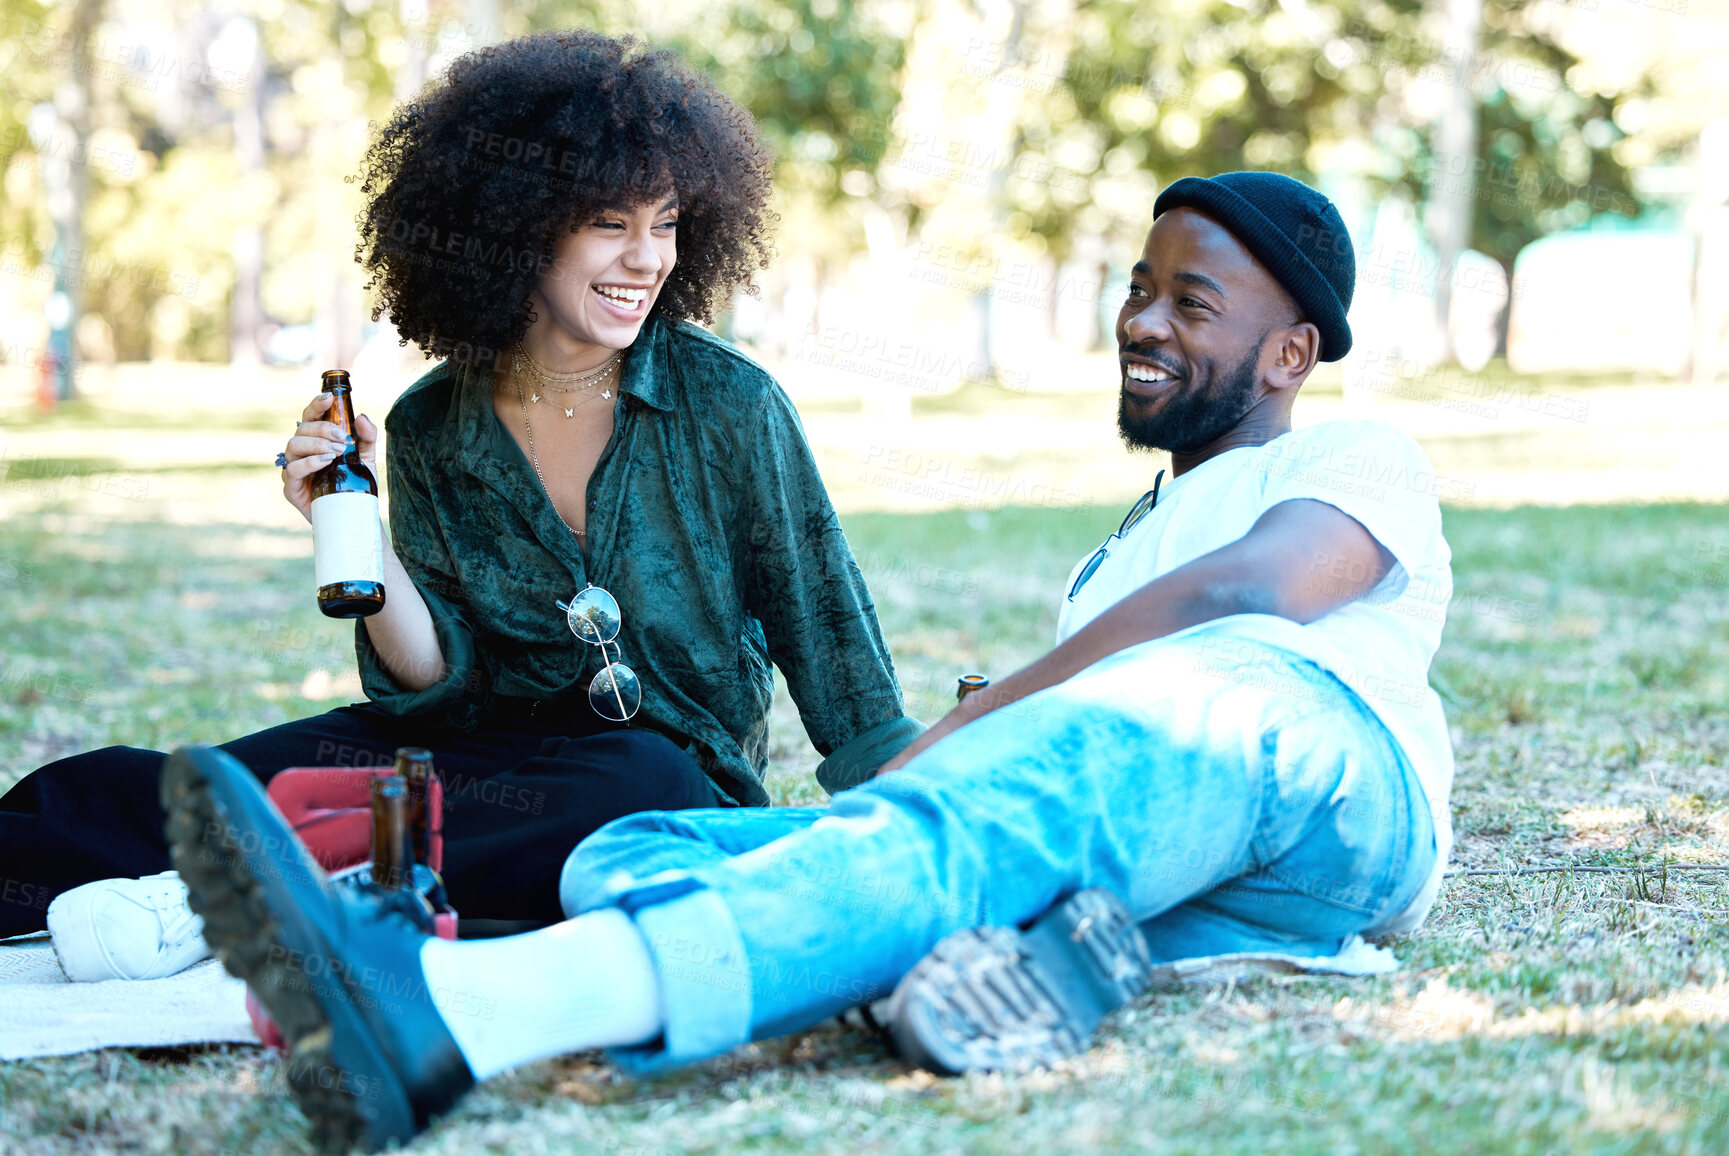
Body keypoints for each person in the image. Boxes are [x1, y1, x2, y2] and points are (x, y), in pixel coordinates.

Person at [165, 171, 1454, 1153]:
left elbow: (1238, 601)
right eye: (1136, 285)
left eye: (1191, 302)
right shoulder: (1112, 563)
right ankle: (956, 979)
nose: (1141, 319)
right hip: (1175, 861)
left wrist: (960, 734)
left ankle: (460, 1008)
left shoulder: (1348, 460)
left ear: (1291, 354)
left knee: (1125, 732)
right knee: (630, 850)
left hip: (1318, 779)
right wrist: (959, 761)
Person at [1, 31, 921, 976]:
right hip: (467, 763)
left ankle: (241, 893)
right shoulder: (434, 421)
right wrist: (344, 527)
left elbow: (830, 636)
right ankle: (258, 870)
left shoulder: (729, 404)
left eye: (667, 221)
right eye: (611, 221)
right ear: (518, 226)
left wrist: (913, 816)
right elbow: (438, 676)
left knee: (637, 783)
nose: (646, 258)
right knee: (126, 789)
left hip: (649, 780)